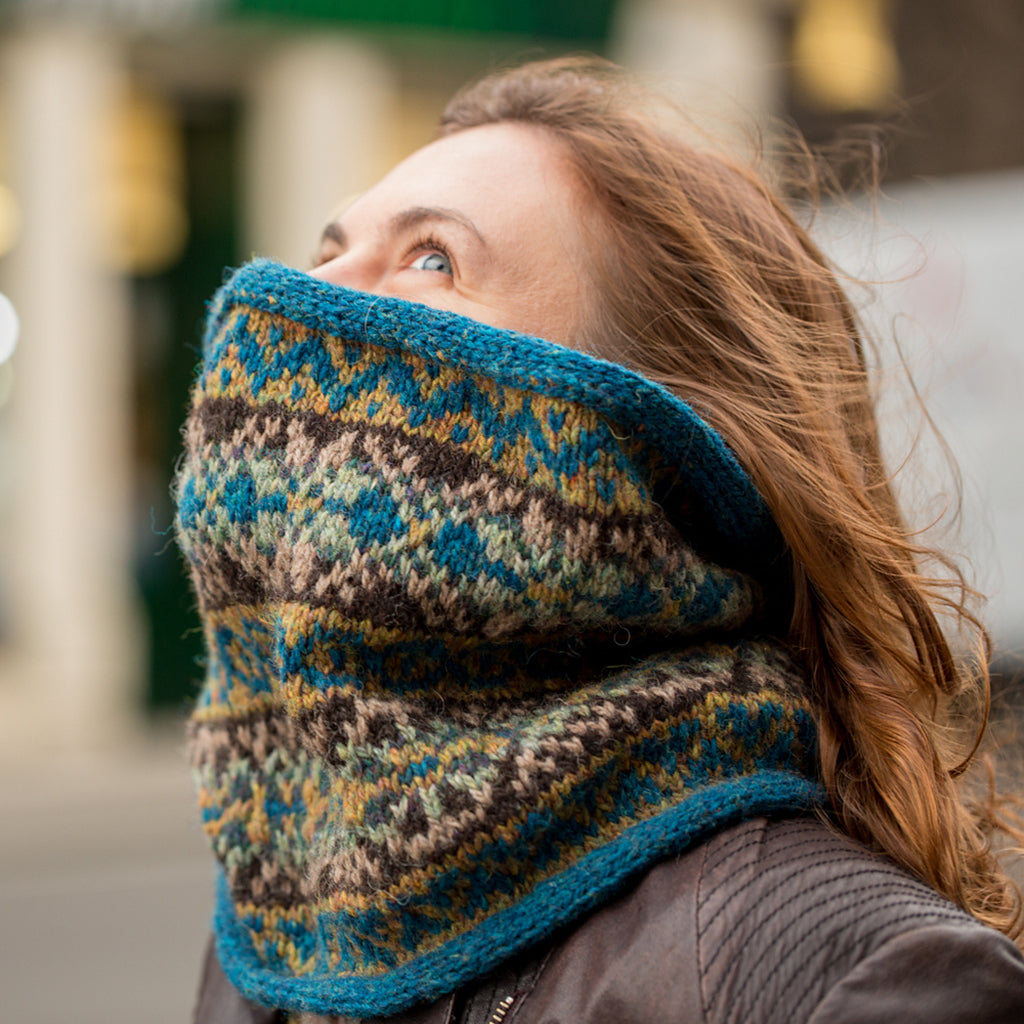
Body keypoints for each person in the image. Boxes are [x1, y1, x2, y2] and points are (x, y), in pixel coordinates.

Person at [178, 58, 1024, 1023]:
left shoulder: (843, 975)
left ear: (635, 448)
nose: (299, 296)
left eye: (433, 258)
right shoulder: (281, 919)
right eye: (327, 248)